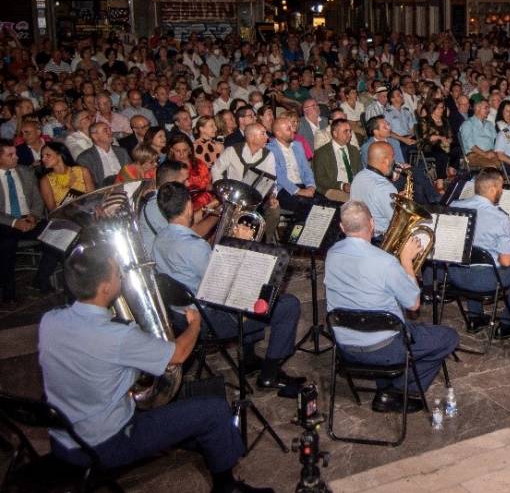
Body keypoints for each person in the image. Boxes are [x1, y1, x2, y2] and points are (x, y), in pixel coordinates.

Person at [38, 244, 272, 493]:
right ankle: (227, 487)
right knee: (214, 410)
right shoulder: (117, 336)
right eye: (117, 274)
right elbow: (178, 354)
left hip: (63, 438)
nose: (121, 277)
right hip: (105, 444)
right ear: (105, 288)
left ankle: (199, 440)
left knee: (178, 404)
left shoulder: (49, 321)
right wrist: (194, 324)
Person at [152, 182, 304, 391]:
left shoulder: (159, 239)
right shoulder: (194, 247)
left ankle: (249, 359)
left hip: (179, 316)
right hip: (209, 320)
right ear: (189, 207)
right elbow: (229, 280)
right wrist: (241, 244)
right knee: (288, 305)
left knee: (252, 295)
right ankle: (270, 373)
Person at [325, 201, 459, 412]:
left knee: (386, 315)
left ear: (342, 227)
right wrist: (406, 261)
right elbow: (413, 304)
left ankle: (386, 384)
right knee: (449, 337)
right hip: (385, 349)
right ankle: (397, 391)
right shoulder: (386, 263)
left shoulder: (332, 254)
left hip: (345, 347)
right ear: (372, 223)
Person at [446, 168, 510, 338]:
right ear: (493, 189)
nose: (502, 191)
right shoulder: (500, 218)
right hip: (483, 281)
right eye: (501, 187)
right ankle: (508, 325)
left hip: (454, 275)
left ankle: (475, 318)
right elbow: (506, 262)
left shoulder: (454, 206)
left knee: (469, 257)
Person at [0, 137, 57, 297]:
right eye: (10, 155)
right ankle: (8, 293)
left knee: (57, 234)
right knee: (6, 243)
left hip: (29, 218)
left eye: (15, 153)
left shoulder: (25, 171)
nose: (16, 157)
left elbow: (38, 200)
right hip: (5, 223)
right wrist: (14, 222)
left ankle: (40, 280)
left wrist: (34, 216)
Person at [267, 114, 316, 217]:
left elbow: (306, 169)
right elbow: (279, 176)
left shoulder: (297, 145)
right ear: (278, 133)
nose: (293, 130)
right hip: (284, 190)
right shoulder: (270, 149)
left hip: (303, 185)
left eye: (292, 127)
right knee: (312, 207)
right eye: (288, 129)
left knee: (326, 203)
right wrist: (299, 191)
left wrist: (311, 186)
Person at [349, 141, 398, 236]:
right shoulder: (385, 188)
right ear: (386, 161)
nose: (394, 161)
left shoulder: (358, 177)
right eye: (392, 157)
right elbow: (397, 221)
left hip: (361, 234)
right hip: (381, 238)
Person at [314, 119, 362, 203]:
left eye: (350, 131)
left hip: (353, 187)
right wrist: (342, 186)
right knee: (355, 202)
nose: (350, 134)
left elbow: (360, 171)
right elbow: (320, 179)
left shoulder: (354, 150)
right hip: (333, 188)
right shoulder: (322, 153)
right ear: (335, 133)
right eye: (345, 131)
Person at [39, 141, 95, 210]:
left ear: (59, 155)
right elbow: (53, 210)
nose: (43, 159)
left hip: (88, 212)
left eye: (47, 155)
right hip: (64, 216)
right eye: (42, 156)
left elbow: (92, 198)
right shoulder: (45, 181)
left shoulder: (83, 171)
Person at [76, 122, 129, 187]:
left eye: (110, 129)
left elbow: (131, 170)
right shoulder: (85, 158)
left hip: (127, 185)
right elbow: (91, 185)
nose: (110, 133)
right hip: (105, 190)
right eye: (105, 130)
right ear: (95, 136)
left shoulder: (121, 151)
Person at [459, 99, 499, 168]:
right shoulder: (468, 124)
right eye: (486, 108)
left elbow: (496, 141)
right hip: (474, 155)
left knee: (505, 163)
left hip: (491, 154)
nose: (488, 110)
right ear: (477, 108)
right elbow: (470, 145)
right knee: (492, 167)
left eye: (488, 108)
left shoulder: (489, 124)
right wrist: (485, 154)